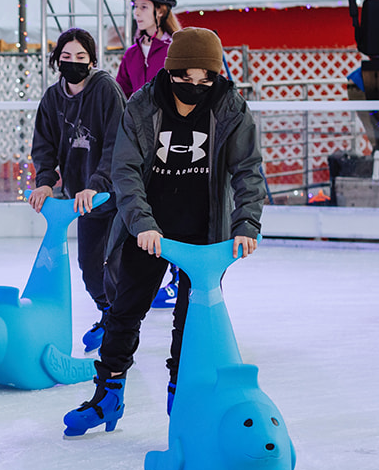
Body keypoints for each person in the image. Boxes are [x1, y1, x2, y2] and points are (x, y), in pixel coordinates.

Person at [64, 27, 264, 436]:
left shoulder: (229, 106)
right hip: (148, 228)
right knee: (124, 311)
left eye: (204, 78)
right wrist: (142, 224)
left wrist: (246, 223)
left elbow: (247, 169)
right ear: (170, 72)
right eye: (185, 77)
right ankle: (109, 394)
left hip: (204, 227)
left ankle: (181, 395)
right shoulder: (142, 105)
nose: (195, 87)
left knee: (190, 318)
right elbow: (125, 170)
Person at [29, 28, 125, 353]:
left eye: (81, 57)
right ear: (57, 60)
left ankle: (121, 327)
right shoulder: (53, 98)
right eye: (67, 57)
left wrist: (96, 183)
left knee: (116, 265)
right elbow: (44, 143)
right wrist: (45, 180)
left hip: (115, 196)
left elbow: (116, 143)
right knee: (88, 266)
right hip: (83, 202)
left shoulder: (105, 90)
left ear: (92, 60)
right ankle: (110, 315)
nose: (73, 63)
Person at [115, 0, 180, 99]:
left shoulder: (176, 50)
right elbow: (120, 95)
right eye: (135, 6)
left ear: (160, 10)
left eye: (143, 7)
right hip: (137, 118)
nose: (136, 12)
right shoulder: (131, 54)